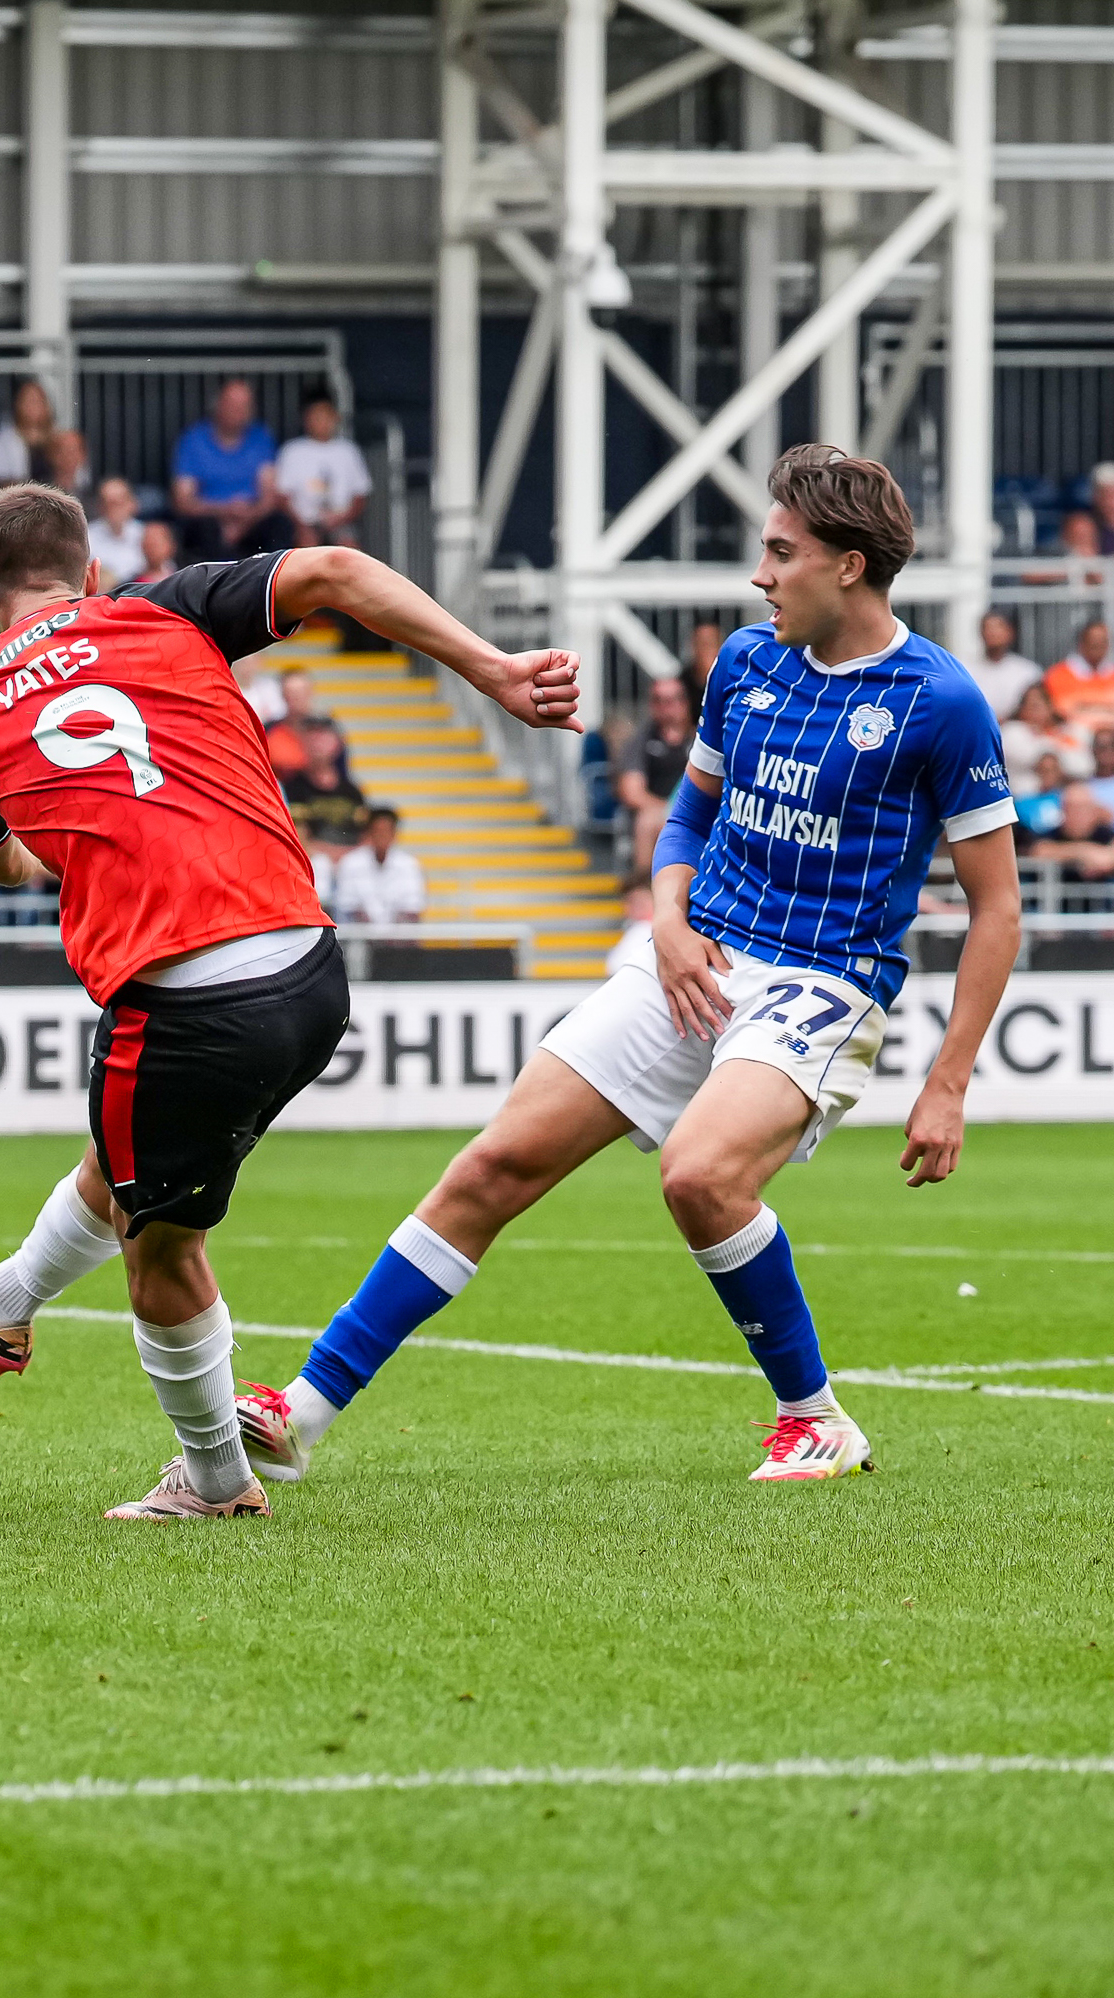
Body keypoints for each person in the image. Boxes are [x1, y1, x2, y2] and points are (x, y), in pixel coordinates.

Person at [255, 445, 1020, 1491]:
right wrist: (664, 914)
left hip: (822, 981)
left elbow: (999, 907)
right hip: (691, 954)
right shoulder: (747, 664)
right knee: (491, 1166)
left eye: (780, 552)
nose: (760, 574)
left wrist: (949, 1081)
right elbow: (690, 816)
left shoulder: (941, 702)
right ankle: (301, 1415)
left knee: (701, 1176)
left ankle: (816, 1420)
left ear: (847, 566)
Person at [0, 483, 577, 1521]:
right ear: (91, 572)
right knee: (125, 1168)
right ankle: (2, 1302)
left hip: (184, 1001)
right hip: (307, 963)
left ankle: (214, 1480)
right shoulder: (164, 610)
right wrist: (495, 669)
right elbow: (333, 570)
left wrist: (81, 835)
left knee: (162, 1249)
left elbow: (0, 869)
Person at [169, 377, 288, 562]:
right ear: (218, 405)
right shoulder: (194, 440)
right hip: (210, 520)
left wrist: (246, 519)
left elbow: (269, 496)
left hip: (253, 519)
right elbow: (183, 501)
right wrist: (224, 511)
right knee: (202, 529)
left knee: (279, 524)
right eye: (232, 404)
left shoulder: (261, 438)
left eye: (244, 405)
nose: (238, 411)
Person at [616, 672, 696, 880]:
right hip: (658, 813)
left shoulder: (701, 740)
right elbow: (632, 791)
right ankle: (645, 887)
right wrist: (668, 811)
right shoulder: (642, 740)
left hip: (694, 813)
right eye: (658, 700)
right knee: (648, 821)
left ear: (685, 702)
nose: (665, 707)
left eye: (671, 700)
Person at [274, 392, 372, 548]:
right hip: (303, 523)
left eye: (326, 416)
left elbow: (360, 496)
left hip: (340, 522)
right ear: (306, 419)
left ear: (335, 418)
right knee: (306, 546)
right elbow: (282, 497)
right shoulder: (292, 451)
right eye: (316, 417)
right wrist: (301, 525)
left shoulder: (348, 451)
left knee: (348, 547)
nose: (322, 422)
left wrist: (341, 519)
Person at [283, 727, 369, 854]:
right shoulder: (292, 788)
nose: (318, 745)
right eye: (313, 739)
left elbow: (367, 833)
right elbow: (296, 833)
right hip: (311, 855)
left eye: (322, 739)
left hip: (349, 857)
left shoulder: (351, 791)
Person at [330, 806, 423, 923]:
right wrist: (372, 934)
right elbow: (347, 905)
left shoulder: (409, 865)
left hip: (398, 937)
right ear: (369, 833)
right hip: (359, 936)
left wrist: (391, 936)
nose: (382, 836)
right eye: (378, 831)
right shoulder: (351, 863)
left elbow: (412, 908)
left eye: (386, 831)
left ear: (394, 833)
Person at [0, 378, 59, 487]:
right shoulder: (4, 439)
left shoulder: (57, 437)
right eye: (28, 400)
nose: (33, 406)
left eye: (37, 400)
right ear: (17, 404)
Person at [966, 610, 1041, 723]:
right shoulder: (966, 669)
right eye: (988, 628)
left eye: (999, 627)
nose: (993, 633)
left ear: (1011, 632)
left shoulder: (1028, 671)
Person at [1046, 618, 1114, 731]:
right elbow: (1061, 712)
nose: (1098, 645)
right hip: (1074, 734)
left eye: (1103, 641)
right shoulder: (1058, 675)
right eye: (1093, 641)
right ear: (1081, 642)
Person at [88, 477, 146, 586]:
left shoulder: (145, 534)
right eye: (108, 503)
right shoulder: (88, 536)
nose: (114, 509)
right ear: (100, 506)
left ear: (132, 504)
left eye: (119, 502)